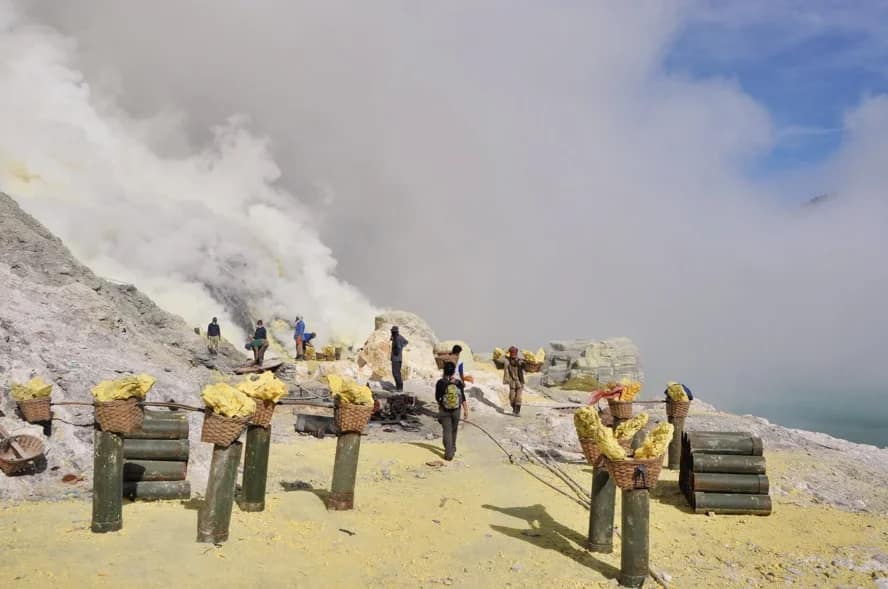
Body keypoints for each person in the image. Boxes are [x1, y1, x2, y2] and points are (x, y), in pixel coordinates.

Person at [435, 361, 468, 461]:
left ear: (444, 371)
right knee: (454, 430)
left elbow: (437, 397)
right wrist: (466, 410)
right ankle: (452, 448)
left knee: (447, 431)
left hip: (444, 410)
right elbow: (462, 397)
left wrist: (441, 405)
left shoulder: (440, 383)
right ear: (453, 372)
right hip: (456, 410)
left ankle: (448, 453)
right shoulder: (458, 383)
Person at [503, 346, 525, 416]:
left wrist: (519, 363)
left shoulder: (519, 360)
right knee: (512, 398)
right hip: (512, 382)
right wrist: (505, 353)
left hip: (519, 382)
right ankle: (514, 409)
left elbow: (523, 365)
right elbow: (499, 360)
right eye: (511, 353)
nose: (513, 354)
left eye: (514, 353)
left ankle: (517, 412)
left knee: (518, 398)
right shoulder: (507, 361)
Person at [390, 326, 408, 391]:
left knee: (395, 373)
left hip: (396, 359)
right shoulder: (397, 337)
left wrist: (400, 348)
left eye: (392, 332)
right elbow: (406, 342)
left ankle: (399, 388)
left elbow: (404, 343)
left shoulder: (397, 338)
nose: (392, 333)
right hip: (398, 358)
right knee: (397, 373)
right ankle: (399, 387)